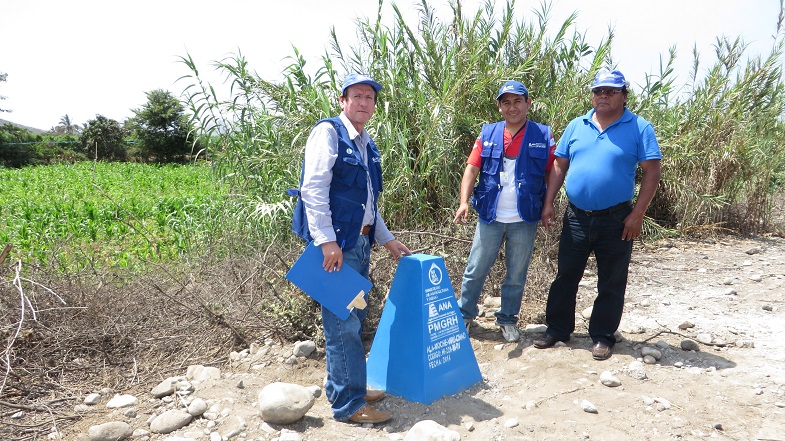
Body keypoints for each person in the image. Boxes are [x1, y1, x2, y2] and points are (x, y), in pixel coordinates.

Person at [291, 73, 410, 424]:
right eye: (356, 96)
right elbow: (313, 189)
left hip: (359, 244)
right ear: (342, 101)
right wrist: (327, 241)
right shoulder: (328, 133)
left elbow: (367, 203)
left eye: (369, 98)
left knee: (354, 315)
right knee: (343, 322)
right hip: (337, 247)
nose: (363, 103)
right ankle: (349, 405)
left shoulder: (366, 142)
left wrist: (386, 239)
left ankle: (346, 385)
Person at [534, 68, 662, 360]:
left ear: (624, 96)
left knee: (612, 279)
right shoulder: (577, 125)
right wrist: (549, 202)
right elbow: (559, 166)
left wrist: (637, 214)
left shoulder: (639, 127)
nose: (603, 96)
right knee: (566, 275)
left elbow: (652, 172)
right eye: (598, 91)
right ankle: (557, 329)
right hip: (577, 216)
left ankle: (603, 336)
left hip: (617, 219)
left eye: (610, 91)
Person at [454, 80, 556, 343]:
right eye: (506, 102)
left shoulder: (543, 135)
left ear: (528, 103)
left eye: (517, 101)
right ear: (499, 107)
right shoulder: (487, 133)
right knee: (475, 268)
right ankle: (464, 315)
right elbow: (471, 169)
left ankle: (508, 319)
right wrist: (464, 201)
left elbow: (552, 172)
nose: (512, 107)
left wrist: (548, 205)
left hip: (525, 218)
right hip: (490, 217)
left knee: (516, 273)